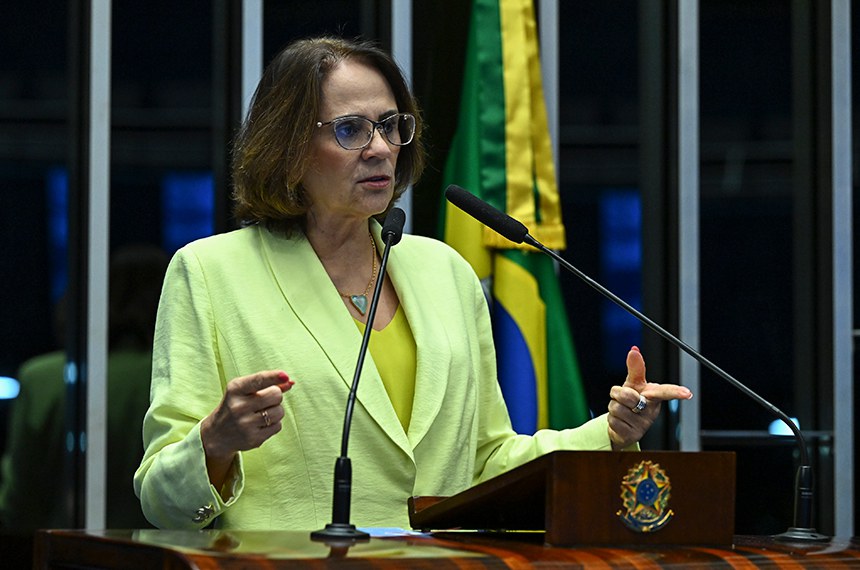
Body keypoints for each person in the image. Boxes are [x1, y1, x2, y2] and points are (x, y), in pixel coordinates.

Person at [134, 36, 692, 531]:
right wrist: (215, 443)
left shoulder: (443, 272)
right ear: (289, 147)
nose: (380, 148)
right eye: (350, 129)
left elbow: (486, 461)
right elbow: (161, 498)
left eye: (392, 125)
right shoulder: (210, 271)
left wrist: (611, 434)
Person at [0, 244, 168, 530]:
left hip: (68, 549)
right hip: (167, 551)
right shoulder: (170, 376)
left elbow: (20, 498)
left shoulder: (44, 378)